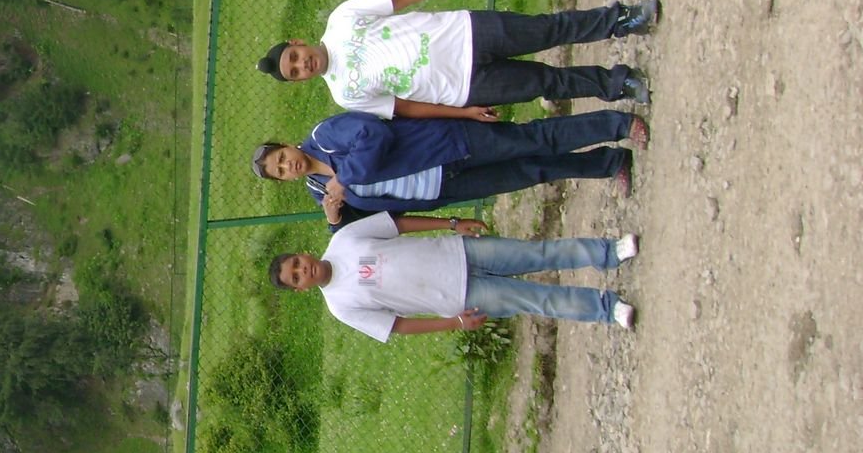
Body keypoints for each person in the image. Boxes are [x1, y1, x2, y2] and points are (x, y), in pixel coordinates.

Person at [255, 0, 659, 117]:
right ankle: (617, 84)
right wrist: (461, 112)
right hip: (463, 87)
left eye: (295, 57)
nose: (303, 65)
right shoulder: (345, 94)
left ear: (298, 42)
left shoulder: (341, 19)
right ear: (300, 81)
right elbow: (406, 108)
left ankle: (622, 19)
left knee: (548, 29)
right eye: (296, 72)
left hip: (466, 32)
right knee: (548, 83)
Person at [269, 212, 639, 340]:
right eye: (296, 278)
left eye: (297, 264)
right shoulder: (341, 306)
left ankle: (609, 251)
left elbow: (397, 225)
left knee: (539, 253)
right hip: (460, 297)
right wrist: (454, 323)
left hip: (460, 251)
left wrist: (451, 223)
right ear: (301, 289)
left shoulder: (344, 239)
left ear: (303, 253)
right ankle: (607, 309)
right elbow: (397, 326)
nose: (303, 271)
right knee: (537, 299)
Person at [251, 108, 648, 225]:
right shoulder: (318, 191)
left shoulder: (324, 135)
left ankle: (618, 125)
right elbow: (367, 226)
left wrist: (345, 177)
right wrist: (335, 219)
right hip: (443, 188)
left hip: (447, 146)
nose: (288, 166)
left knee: (533, 139)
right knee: (531, 172)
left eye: (281, 158)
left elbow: (374, 135)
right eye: (281, 171)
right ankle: (609, 163)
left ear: (286, 145)